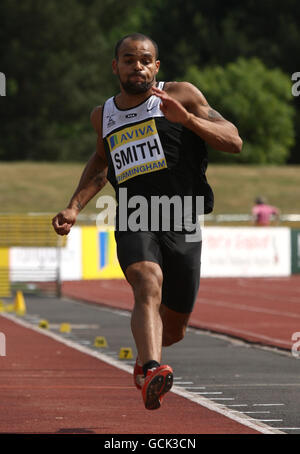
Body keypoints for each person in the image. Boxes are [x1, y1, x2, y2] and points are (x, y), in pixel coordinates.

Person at [52, 33, 242, 410]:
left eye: (144, 60)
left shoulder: (182, 94)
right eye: (128, 59)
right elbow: (100, 163)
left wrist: (186, 119)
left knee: (175, 328)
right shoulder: (102, 114)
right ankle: (154, 368)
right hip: (136, 215)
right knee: (146, 280)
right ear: (115, 66)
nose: (136, 66)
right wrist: (74, 206)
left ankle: (145, 355)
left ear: (156, 66)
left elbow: (234, 140)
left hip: (182, 217)